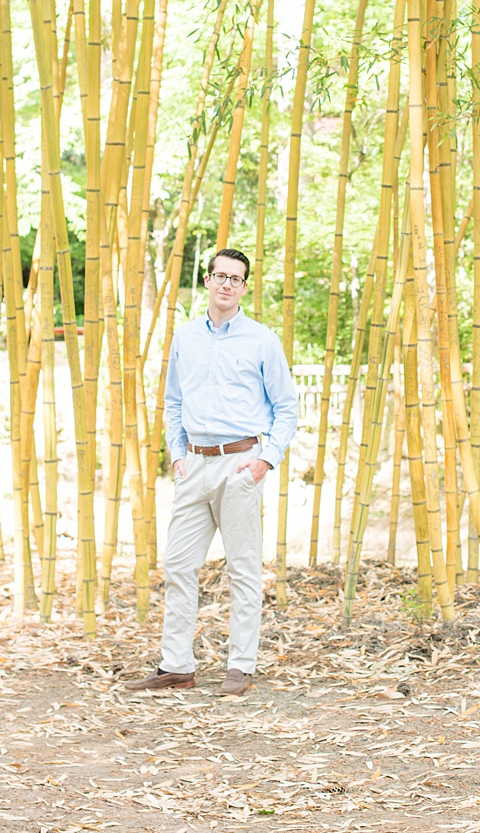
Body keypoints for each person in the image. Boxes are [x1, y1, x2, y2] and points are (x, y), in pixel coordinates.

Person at [124, 249, 298, 697]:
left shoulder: (262, 340)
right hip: (194, 464)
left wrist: (264, 460)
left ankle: (241, 666)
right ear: (206, 280)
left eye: (235, 279)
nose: (226, 284)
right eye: (219, 275)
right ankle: (176, 665)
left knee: (242, 568)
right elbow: (174, 401)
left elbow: (286, 408)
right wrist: (177, 454)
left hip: (240, 463)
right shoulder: (185, 337)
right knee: (178, 564)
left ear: (244, 287)